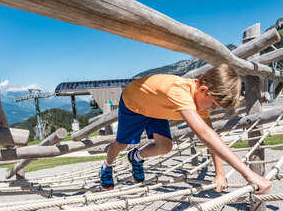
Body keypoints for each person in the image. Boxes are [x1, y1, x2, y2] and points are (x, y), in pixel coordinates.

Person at [99, 64, 271, 195]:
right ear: (203, 90)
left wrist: (220, 173)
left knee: (165, 147)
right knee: (120, 144)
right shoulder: (180, 92)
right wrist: (249, 174)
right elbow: (204, 134)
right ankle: (107, 167)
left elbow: (211, 135)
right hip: (134, 106)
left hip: (155, 109)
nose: (211, 109)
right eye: (213, 104)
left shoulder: (200, 100)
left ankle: (135, 157)